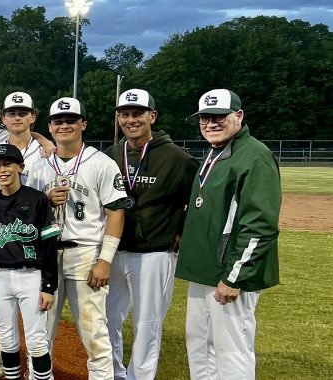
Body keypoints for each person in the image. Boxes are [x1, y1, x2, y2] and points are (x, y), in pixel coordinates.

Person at [176, 89, 280, 379]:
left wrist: (235, 276)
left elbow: (260, 224)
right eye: (205, 118)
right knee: (199, 344)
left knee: (231, 350)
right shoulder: (215, 151)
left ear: (239, 116)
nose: (211, 123)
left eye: (219, 116)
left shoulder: (254, 156)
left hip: (229, 273)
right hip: (204, 271)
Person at [104, 89, 197, 380]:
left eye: (138, 113)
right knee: (106, 319)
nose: (131, 119)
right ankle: (114, 373)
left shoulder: (177, 158)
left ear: (152, 116)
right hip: (113, 251)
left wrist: (181, 230)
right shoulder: (110, 155)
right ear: (118, 118)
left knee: (147, 322)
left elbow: (196, 200)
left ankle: (139, 377)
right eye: (125, 114)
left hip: (155, 251)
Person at [33, 97, 127, 380]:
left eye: (71, 120)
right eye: (58, 121)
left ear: (83, 124)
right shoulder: (39, 167)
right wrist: (43, 201)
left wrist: (105, 260)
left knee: (93, 330)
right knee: (40, 330)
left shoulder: (101, 163)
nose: (64, 126)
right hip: (46, 254)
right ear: (49, 127)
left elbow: (116, 213)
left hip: (85, 252)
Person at [0, 143, 59, 380]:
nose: (2, 170)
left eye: (8, 164)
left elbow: (49, 245)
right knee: (8, 339)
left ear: (20, 167)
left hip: (31, 276)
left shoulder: (37, 200)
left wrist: (48, 286)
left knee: (36, 341)